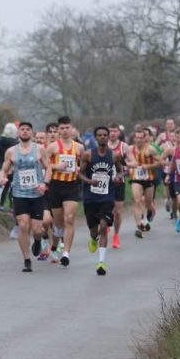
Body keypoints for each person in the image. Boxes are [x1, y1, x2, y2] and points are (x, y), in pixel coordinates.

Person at [0, 121, 49, 272]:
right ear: (18, 133)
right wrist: (2, 177)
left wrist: (44, 183)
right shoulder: (11, 152)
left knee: (37, 229)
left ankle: (38, 240)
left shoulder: (39, 149)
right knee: (23, 225)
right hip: (19, 193)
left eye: (28, 130)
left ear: (32, 133)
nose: (25, 132)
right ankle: (27, 260)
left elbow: (49, 168)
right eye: (23, 130)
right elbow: (4, 169)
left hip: (37, 194)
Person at [77, 126, 123, 275]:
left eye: (105, 135)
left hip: (107, 196)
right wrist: (89, 181)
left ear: (108, 137)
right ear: (96, 138)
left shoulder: (114, 155)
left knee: (104, 226)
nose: (102, 137)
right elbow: (79, 174)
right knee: (94, 231)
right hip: (90, 198)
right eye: (99, 135)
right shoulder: (88, 155)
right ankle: (93, 239)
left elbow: (121, 170)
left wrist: (118, 177)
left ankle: (101, 263)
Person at [44, 118, 85, 267]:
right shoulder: (52, 147)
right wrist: (56, 166)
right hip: (56, 186)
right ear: (59, 130)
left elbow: (84, 164)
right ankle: (54, 246)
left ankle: (66, 253)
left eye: (67, 127)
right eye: (62, 128)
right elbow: (44, 164)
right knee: (58, 224)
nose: (65, 131)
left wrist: (80, 168)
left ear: (72, 129)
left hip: (71, 186)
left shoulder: (79, 148)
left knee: (69, 219)